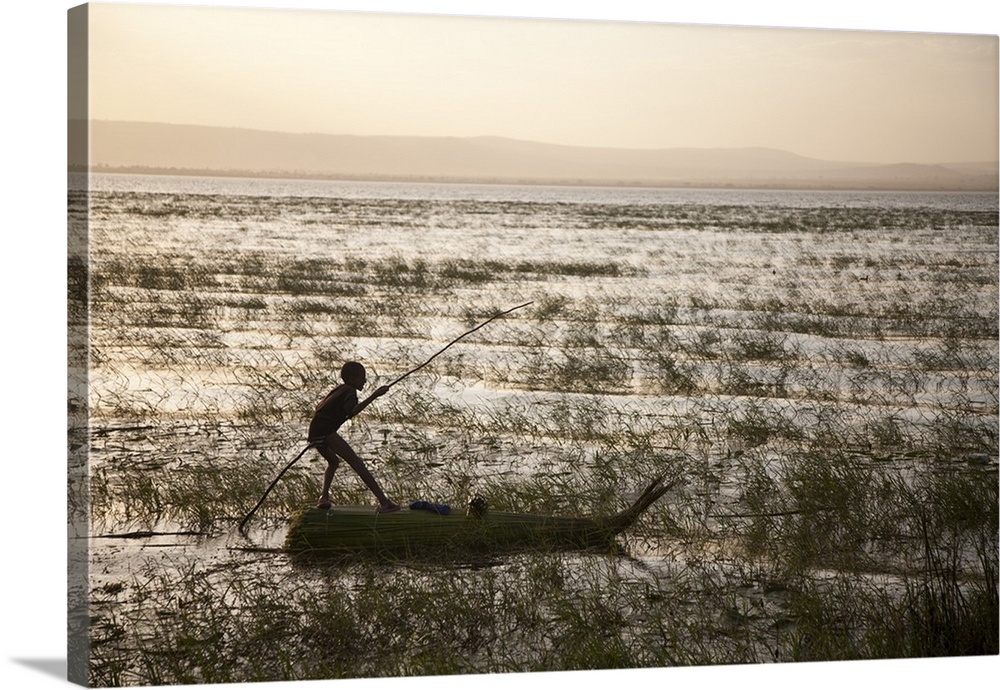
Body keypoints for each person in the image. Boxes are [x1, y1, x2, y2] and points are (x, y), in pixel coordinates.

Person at [308, 361, 400, 513]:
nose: (364, 381)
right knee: (357, 464)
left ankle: (323, 497)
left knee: (333, 462)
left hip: (315, 431)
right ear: (352, 378)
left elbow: (321, 408)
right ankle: (384, 503)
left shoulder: (340, 389)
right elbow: (352, 412)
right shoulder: (350, 391)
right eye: (362, 378)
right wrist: (374, 396)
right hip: (325, 431)